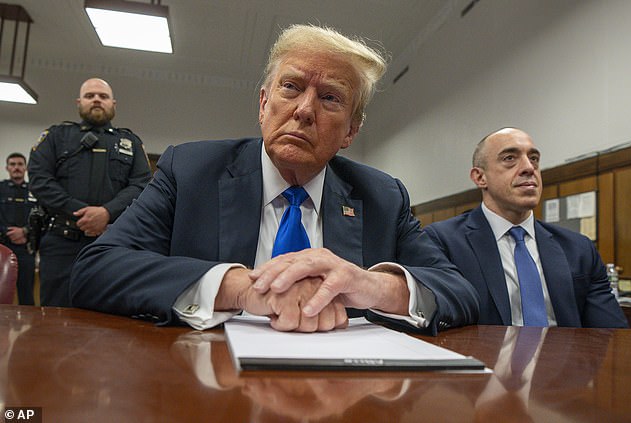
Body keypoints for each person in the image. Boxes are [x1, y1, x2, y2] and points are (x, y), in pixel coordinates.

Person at [70, 24, 480, 334]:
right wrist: (238, 287)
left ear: (351, 131)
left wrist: (372, 286)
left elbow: (458, 292)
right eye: (291, 87)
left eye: (330, 98)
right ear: (264, 104)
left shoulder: (382, 197)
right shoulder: (191, 170)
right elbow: (95, 269)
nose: (304, 110)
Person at [419, 127, 628, 328]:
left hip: (565, 362)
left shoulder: (578, 248)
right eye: (510, 158)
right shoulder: (442, 242)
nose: (529, 168)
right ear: (480, 177)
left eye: (534, 158)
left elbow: (610, 334)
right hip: (487, 361)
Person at [28, 78, 152, 307]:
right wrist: (81, 214)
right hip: (61, 243)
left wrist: (106, 212)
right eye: (90, 96)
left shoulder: (130, 142)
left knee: (109, 318)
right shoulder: (56, 136)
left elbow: (142, 185)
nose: (96, 99)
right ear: (79, 103)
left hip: (112, 244)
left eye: (103, 96)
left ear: (114, 104)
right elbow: (39, 179)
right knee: (55, 315)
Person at [0, 153, 37, 304]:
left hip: (26, 248)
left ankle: (29, 328)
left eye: (20, 164)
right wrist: (7, 232)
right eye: (13, 164)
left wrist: (25, 231)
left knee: (26, 294)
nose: (16, 168)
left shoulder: (35, 191)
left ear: (26, 168)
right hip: (2, 247)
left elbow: (41, 216)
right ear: (7, 168)